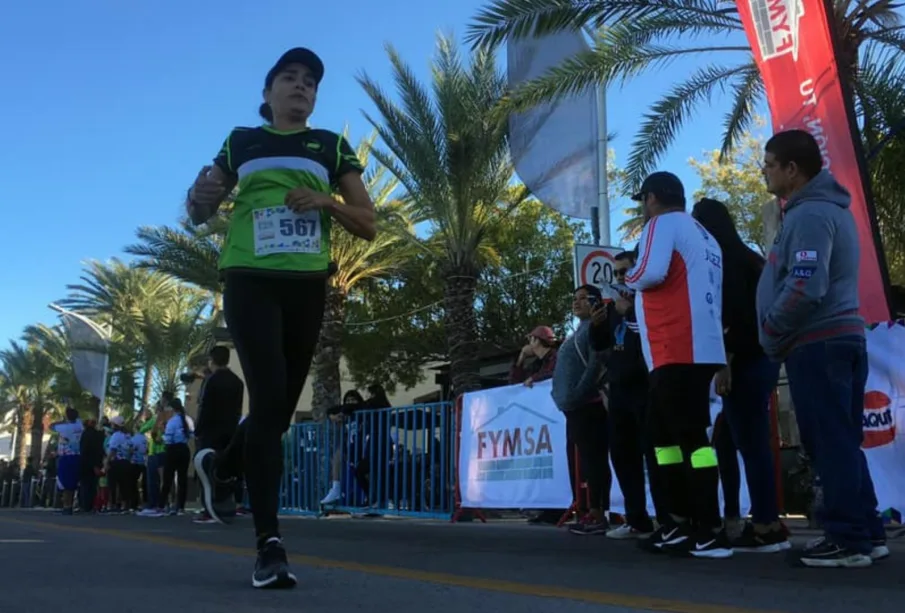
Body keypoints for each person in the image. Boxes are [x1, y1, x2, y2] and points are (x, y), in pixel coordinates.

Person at [187, 47, 376, 588]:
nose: (302, 87)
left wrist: (327, 202)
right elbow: (201, 208)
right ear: (268, 92)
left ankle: (221, 467)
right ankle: (269, 545)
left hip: (307, 286)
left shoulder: (331, 147)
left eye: (311, 81)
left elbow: (368, 223)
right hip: (248, 277)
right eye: (290, 78)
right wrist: (197, 199)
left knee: (275, 411)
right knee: (269, 397)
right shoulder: (242, 141)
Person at [758, 129, 885, 568]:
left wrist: (772, 328)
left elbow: (806, 285)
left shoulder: (810, 214)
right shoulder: (819, 210)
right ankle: (865, 529)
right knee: (842, 439)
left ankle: (847, 538)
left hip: (820, 342)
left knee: (830, 440)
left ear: (793, 170)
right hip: (835, 339)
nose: (765, 172)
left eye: (770, 164)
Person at [625, 171, 729, 558]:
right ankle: (683, 523)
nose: (643, 208)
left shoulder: (661, 224)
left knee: (686, 442)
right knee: (670, 439)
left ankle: (705, 529)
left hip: (675, 348)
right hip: (699, 349)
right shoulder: (706, 235)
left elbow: (650, 272)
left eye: (643, 201)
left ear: (652, 198)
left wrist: (626, 276)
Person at [692, 197, 789, 552]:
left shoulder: (725, 261)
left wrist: (724, 365)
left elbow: (731, 318)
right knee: (734, 442)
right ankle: (756, 517)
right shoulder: (750, 258)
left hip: (743, 361)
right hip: (763, 357)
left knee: (750, 444)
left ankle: (766, 524)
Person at [589, 251, 669, 539]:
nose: (621, 278)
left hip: (646, 388)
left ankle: (667, 518)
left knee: (654, 454)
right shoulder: (612, 307)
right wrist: (597, 325)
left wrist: (632, 311)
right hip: (619, 389)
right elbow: (601, 345)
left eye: (626, 271)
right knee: (622, 455)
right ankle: (637, 518)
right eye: (618, 273)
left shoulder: (650, 300)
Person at [551, 285, 611, 535]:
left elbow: (596, 364)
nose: (576, 302)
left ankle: (598, 513)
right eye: (574, 298)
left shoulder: (593, 330)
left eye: (583, 299)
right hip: (574, 407)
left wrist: (577, 393)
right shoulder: (576, 332)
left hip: (588, 406)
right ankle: (589, 511)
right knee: (586, 462)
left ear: (595, 302)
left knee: (595, 461)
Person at [194, 345, 245, 523]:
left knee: (205, 470)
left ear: (212, 360)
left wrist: (198, 430)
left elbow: (205, 407)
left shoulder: (212, 380)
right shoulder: (238, 382)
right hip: (229, 432)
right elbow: (237, 410)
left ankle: (208, 509)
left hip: (210, 432)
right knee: (225, 471)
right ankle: (226, 505)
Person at [321, 389, 365, 505]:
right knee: (336, 458)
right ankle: (336, 488)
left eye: (353, 399)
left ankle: (369, 496)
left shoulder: (362, 409)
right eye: (348, 400)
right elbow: (330, 410)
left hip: (362, 443)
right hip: (349, 443)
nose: (350, 402)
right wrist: (332, 416)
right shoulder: (345, 411)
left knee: (363, 469)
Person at [160, 398, 193, 515]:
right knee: (182, 479)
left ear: (172, 409)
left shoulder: (172, 421)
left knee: (167, 478)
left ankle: (162, 505)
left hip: (173, 450)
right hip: (184, 449)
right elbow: (192, 434)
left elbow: (168, 439)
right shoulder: (188, 419)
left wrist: (162, 436)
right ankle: (180, 507)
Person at [49, 407, 83, 515]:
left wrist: (63, 420)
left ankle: (67, 506)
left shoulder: (63, 427)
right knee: (72, 482)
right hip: (77, 456)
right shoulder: (80, 426)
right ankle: (70, 506)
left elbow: (51, 426)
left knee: (65, 483)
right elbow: (78, 419)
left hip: (66, 457)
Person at [105, 416, 132, 514]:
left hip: (116, 462)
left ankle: (112, 505)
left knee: (112, 484)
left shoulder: (116, 435)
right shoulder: (128, 436)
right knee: (124, 484)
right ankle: (124, 505)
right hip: (126, 462)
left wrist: (107, 462)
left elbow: (113, 450)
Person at [78, 417, 105, 513]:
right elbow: (100, 451)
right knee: (93, 485)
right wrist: (98, 465)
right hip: (95, 463)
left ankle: (84, 505)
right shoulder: (99, 435)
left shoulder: (86, 435)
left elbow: (84, 450)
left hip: (86, 463)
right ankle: (91, 505)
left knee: (85, 485)